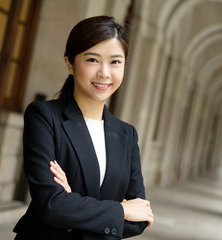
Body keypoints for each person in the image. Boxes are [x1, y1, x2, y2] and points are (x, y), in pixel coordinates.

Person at [13, 15, 154, 240]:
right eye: (92, 60)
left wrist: (73, 202)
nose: (104, 73)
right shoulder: (44, 117)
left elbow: (141, 219)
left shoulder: (127, 135)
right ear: (70, 63)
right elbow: (52, 205)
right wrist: (120, 210)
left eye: (115, 61)